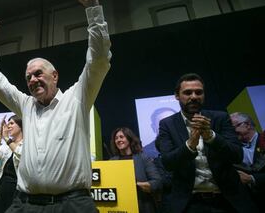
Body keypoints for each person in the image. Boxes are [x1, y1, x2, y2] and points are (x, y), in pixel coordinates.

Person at [0, 0, 111, 213]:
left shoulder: (77, 99)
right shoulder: (25, 106)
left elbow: (99, 59)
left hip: (72, 205)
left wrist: (92, 8)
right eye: (28, 77)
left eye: (38, 73)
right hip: (24, 204)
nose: (32, 79)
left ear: (55, 75)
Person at [157, 73, 258, 213]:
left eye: (199, 92)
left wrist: (211, 136)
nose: (193, 96)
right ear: (177, 96)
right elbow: (168, 163)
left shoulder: (221, 117)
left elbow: (237, 155)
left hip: (227, 200)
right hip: (190, 202)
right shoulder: (167, 124)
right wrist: (191, 143)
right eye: (187, 92)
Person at [109, 127, 162, 213]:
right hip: (120, 206)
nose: (118, 140)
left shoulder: (143, 158)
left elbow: (157, 181)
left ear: (129, 139)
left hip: (142, 205)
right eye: (116, 138)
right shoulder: (112, 161)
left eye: (121, 137)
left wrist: (135, 185)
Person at [0, 115, 23, 213]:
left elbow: (21, 154)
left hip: (17, 189)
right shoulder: (6, 146)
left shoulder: (26, 143)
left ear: (21, 126)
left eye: (12, 123)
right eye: (7, 124)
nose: (8, 126)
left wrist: (7, 138)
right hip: (2, 187)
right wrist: (0, 135)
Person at [230, 112, 265, 208]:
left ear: (247, 125)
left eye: (234, 127)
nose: (232, 132)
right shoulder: (233, 151)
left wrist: (252, 179)